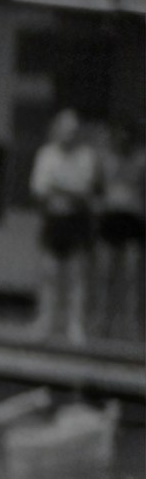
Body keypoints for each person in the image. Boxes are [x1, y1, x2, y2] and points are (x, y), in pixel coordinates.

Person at [28, 108, 100, 345]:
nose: (69, 135)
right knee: (49, 274)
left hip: (76, 221)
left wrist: (59, 186)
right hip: (53, 220)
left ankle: (74, 326)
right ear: (56, 130)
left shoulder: (86, 156)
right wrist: (67, 188)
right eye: (65, 130)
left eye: (74, 131)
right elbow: (39, 189)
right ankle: (46, 323)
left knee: (75, 277)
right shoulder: (46, 155)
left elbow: (85, 190)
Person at [93, 119, 145, 339]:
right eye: (119, 136)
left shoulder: (141, 160)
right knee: (105, 273)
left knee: (131, 274)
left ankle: (130, 323)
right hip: (110, 218)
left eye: (127, 136)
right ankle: (103, 321)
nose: (123, 140)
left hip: (132, 219)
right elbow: (96, 187)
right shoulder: (105, 159)